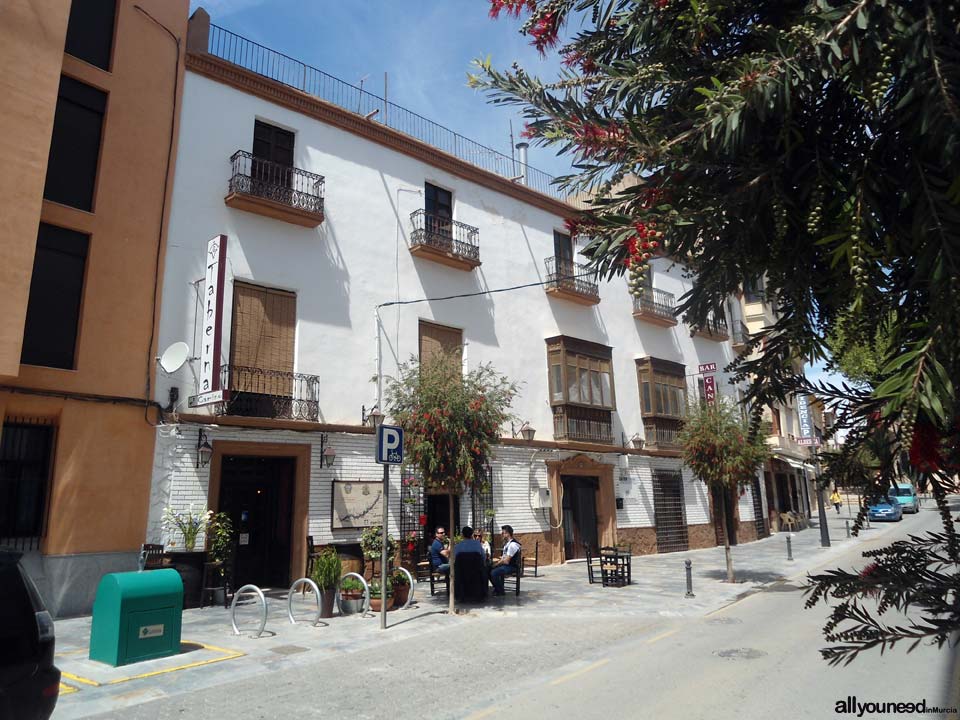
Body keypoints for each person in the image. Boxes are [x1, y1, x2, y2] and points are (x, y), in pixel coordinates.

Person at [490, 525, 521, 596]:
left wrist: (497, 564)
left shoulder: (513, 545)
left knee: (494, 572)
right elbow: (505, 557)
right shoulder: (508, 543)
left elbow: (506, 561)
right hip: (507, 565)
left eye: (503, 533)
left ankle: (500, 591)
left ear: (508, 534)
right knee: (489, 569)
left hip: (511, 566)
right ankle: (498, 588)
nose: (502, 535)